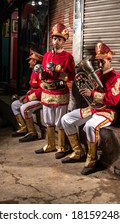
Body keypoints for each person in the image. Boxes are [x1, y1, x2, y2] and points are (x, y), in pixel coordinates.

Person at [61, 41, 120, 175]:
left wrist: (92, 93)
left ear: (109, 59)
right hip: (93, 109)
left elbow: (114, 99)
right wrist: (85, 90)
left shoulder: (116, 76)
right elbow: (89, 91)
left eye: (102, 61)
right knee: (65, 119)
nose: (99, 64)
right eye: (98, 62)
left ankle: (92, 159)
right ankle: (78, 151)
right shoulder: (98, 74)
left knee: (90, 126)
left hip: (107, 112)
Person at [35, 23, 76, 159]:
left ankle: (62, 147)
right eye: (54, 39)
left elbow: (71, 76)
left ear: (64, 41)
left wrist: (58, 72)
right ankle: (50, 144)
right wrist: (42, 74)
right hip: (47, 92)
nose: (55, 41)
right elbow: (44, 74)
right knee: (48, 120)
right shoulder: (46, 56)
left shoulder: (67, 57)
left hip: (60, 93)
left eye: (59, 39)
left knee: (59, 121)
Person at [11, 49, 43, 142]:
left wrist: (28, 98)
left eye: (31, 60)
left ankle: (32, 133)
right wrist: (25, 96)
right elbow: (33, 88)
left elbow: (41, 90)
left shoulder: (40, 73)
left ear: (35, 61)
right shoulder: (33, 72)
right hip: (33, 98)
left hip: (40, 99)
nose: (29, 62)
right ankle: (24, 128)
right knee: (14, 105)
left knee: (24, 108)